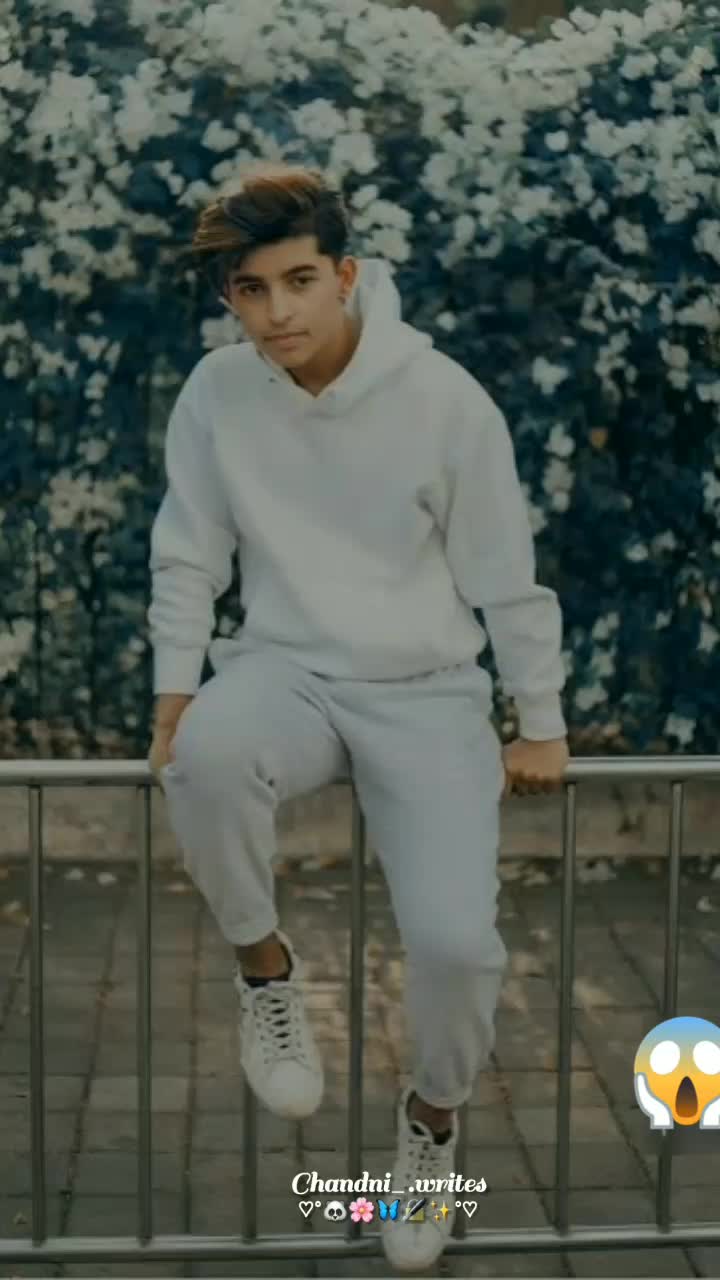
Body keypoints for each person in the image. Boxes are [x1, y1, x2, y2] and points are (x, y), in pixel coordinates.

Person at [147, 162, 569, 1273]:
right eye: (250, 290)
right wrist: (174, 697)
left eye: (297, 281)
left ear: (344, 275)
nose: (276, 312)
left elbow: (505, 571)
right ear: (231, 299)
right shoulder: (218, 392)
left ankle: (430, 1131)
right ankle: (266, 974)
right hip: (284, 672)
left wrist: (539, 718)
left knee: (458, 945)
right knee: (204, 757)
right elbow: (189, 550)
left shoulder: (443, 398)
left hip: (426, 692)